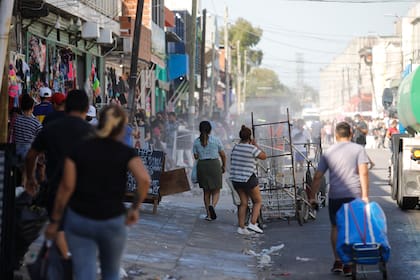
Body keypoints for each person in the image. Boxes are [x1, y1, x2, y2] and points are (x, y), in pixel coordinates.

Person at [45, 104, 151, 280]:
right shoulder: (126, 152)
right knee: (111, 272)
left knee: (84, 273)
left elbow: (67, 187)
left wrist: (55, 220)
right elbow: (145, 180)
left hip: (80, 219)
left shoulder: (79, 149)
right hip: (113, 220)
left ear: (99, 123)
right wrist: (134, 208)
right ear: (122, 127)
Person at [25, 89, 95, 276]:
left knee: (59, 228)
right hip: (85, 194)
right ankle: (69, 264)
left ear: (66, 106)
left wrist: (31, 178)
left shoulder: (52, 128)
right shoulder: (93, 133)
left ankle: (65, 263)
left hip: (55, 190)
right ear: (86, 108)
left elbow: (31, 155)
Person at [309, 121, 369, 276]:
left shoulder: (329, 152)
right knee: (352, 228)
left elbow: (317, 176)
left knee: (335, 227)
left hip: (335, 196)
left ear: (335, 135)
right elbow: (363, 173)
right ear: (351, 133)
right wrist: (365, 196)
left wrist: (312, 197)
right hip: (354, 196)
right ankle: (349, 263)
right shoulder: (358, 150)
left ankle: (338, 261)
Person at [230, 125, 267, 235]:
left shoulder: (235, 148)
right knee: (257, 201)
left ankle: (241, 227)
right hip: (248, 178)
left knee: (243, 203)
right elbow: (264, 156)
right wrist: (256, 145)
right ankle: (253, 223)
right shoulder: (252, 148)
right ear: (250, 137)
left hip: (236, 179)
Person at [192, 120, 227, 221]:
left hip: (202, 166)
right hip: (214, 165)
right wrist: (224, 166)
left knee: (206, 192)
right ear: (210, 130)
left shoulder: (196, 142)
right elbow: (223, 155)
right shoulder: (216, 140)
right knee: (216, 189)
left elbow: (195, 156)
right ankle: (212, 205)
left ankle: (208, 215)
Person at [12, 94, 42, 186]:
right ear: (32, 108)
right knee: (27, 174)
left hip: (16, 150)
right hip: (29, 151)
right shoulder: (35, 122)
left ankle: (21, 188)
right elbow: (41, 136)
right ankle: (25, 190)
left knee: (20, 173)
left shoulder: (16, 120)